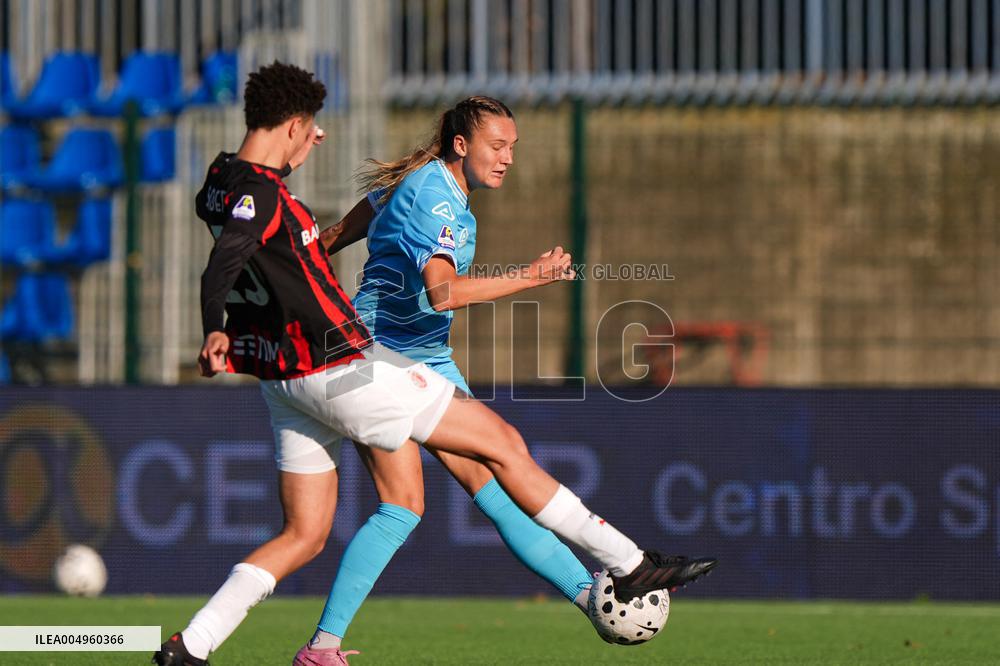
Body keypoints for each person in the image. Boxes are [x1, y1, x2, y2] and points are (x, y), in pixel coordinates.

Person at [154, 63, 716, 666]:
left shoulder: (407, 183)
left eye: (512, 148)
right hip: (371, 355)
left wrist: (309, 249)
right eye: (497, 146)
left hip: (391, 356)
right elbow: (442, 292)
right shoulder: (430, 195)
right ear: (461, 143)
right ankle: (624, 566)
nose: (507, 158)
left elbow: (355, 219)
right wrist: (532, 275)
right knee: (457, 474)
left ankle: (587, 595)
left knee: (470, 487)